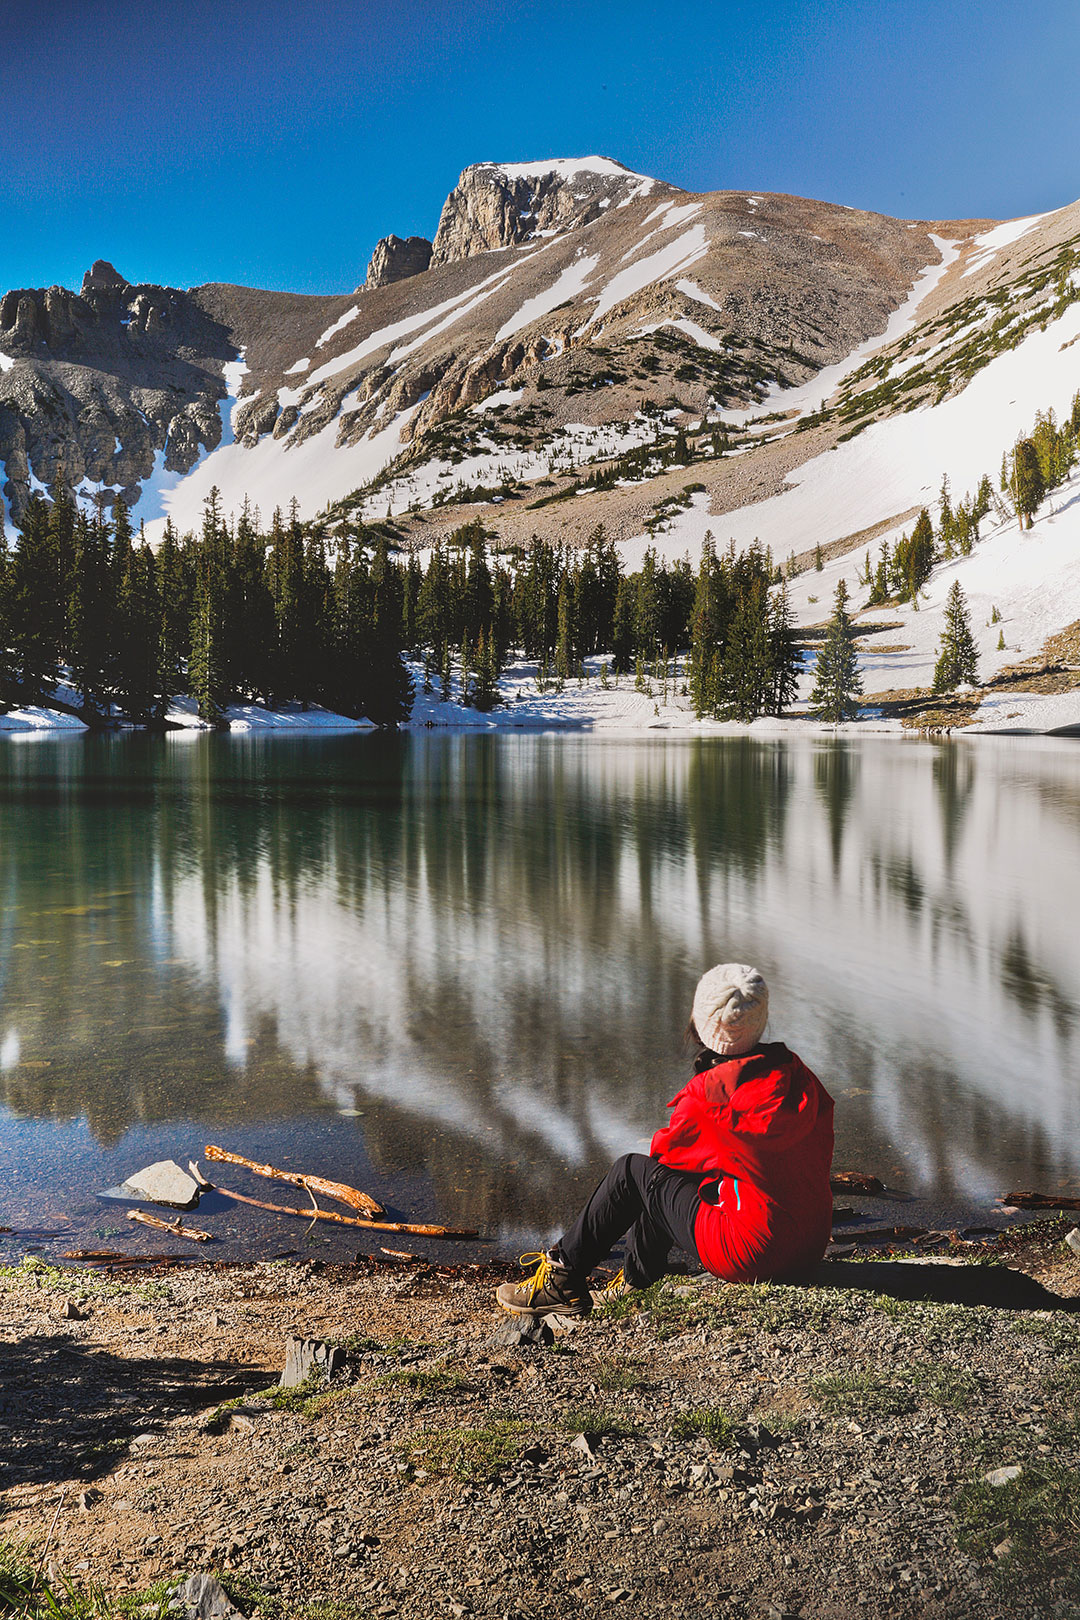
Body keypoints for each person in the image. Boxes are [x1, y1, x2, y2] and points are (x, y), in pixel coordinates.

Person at [496, 963, 834, 1318]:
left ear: (702, 1022)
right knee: (668, 1176)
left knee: (633, 1172)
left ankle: (561, 1277)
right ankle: (636, 1282)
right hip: (808, 1246)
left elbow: (661, 1166)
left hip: (751, 1253)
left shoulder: (709, 1096)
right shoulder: (798, 1076)